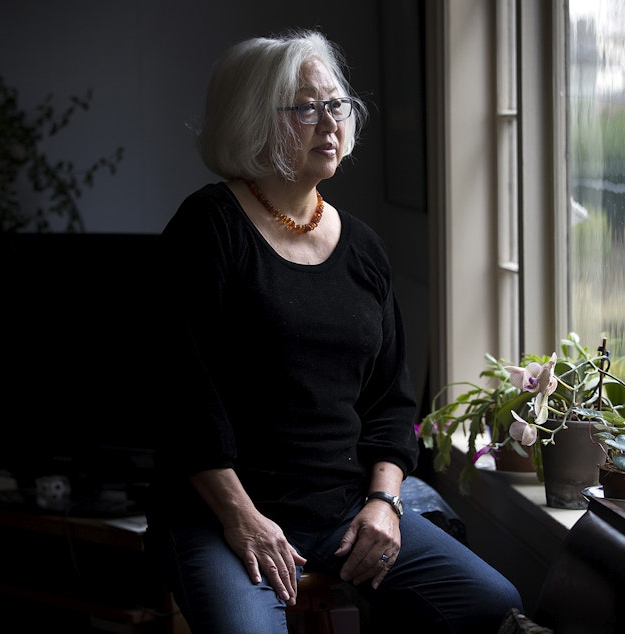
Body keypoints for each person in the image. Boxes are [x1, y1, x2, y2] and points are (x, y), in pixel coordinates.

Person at [145, 28, 523, 633]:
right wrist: (244, 518)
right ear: (252, 122)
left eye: (337, 104)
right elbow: (181, 399)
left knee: (491, 605)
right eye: (306, 108)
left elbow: (391, 402)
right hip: (222, 516)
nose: (331, 122)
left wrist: (384, 503)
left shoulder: (363, 247)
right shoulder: (208, 229)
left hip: (345, 509)